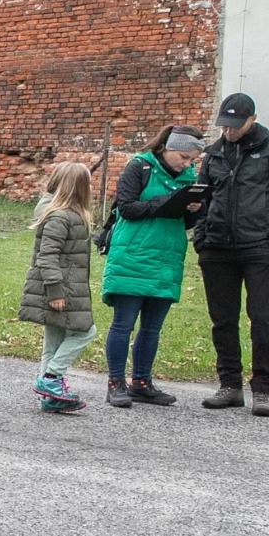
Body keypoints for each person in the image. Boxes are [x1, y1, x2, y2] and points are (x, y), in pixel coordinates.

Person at [192, 93, 269, 417]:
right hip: (216, 249)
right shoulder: (213, 154)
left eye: (235, 125)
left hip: (259, 249)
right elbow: (202, 198)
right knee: (222, 320)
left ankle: (263, 389)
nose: (228, 131)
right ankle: (230, 385)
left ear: (252, 119)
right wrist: (201, 237)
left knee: (262, 318)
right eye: (224, 126)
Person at [99, 125, 205, 409]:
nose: (187, 164)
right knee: (123, 323)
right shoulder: (140, 166)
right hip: (133, 255)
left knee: (152, 327)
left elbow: (184, 222)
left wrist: (193, 210)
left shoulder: (188, 177)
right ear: (167, 148)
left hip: (166, 258)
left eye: (192, 161)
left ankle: (141, 382)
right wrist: (169, 201)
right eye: (183, 157)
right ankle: (116, 383)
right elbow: (128, 208)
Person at [19, 162, 97, 412]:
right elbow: (47, 255)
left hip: (65, 286)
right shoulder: (61, 217)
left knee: (53, 343)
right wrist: (55, 291)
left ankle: (49, 398)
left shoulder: (67, 214)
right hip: (61, 289)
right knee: (85, 332)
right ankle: (51, 379)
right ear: (80, 187)